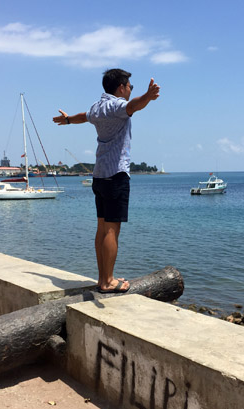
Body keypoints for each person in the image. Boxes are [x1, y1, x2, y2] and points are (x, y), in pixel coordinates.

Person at [53, 68, 160, 293]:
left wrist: (68, 120)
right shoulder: (117, 106)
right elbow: (132, 106)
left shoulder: (97, 106)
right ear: (121, 87)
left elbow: (85, 116)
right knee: (112, 230)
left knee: (102, 228)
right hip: (116, 175)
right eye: (130, 86)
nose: (131, 90)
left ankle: (103, 277)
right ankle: (108, 281)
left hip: (100, 176)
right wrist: (148, 97)